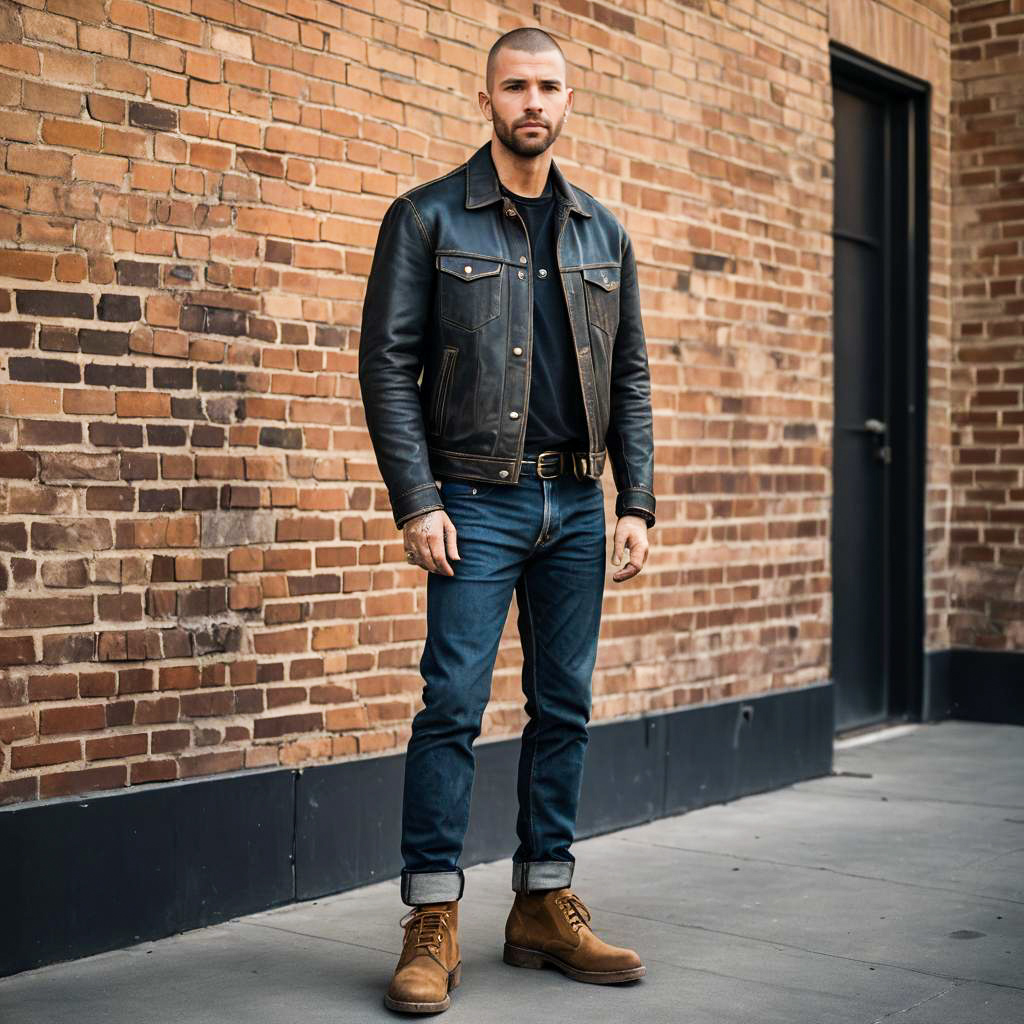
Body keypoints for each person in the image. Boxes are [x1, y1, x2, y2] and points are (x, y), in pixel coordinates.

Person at [357, 24, 656, 1015]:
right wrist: (418, 499)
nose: (534, 101)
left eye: (549, 86)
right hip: (475, 503)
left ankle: (541, 903)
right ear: (485, 98)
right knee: (451, 705)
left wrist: (636, 500)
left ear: (569, 100)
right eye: (516, 85)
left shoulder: (603, 234)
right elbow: (385, 368)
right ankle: (431, 917)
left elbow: (631, 376)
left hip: (575, 501)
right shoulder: (427, 218)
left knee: (563, 705)